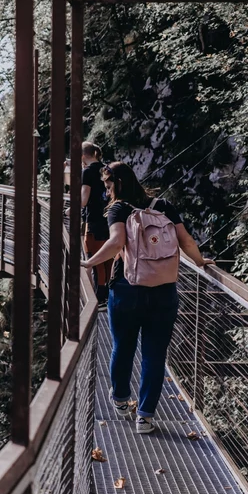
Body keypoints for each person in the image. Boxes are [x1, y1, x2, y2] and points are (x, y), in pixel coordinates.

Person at [82, 162, 214, 435]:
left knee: (123, 346)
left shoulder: (119, 209)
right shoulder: (163, 205)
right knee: (155, 354)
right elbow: (187, 241)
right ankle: (145, 416)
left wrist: (88, 263)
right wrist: (200, 262)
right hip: (164, 291)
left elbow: (117, 243)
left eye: (108, 187)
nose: (106, 194)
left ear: (117, 183)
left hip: (127, 289)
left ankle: (119, 399)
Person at [81, 142, 113, 302]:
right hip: (110, 217)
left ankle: (99, 296)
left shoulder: (87, 172)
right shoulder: (107, 168)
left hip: (93, 219)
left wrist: (70, 209)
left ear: (82, 156)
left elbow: (84, 199)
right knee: (108, 256)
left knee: (94, 256)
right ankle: (108, 293)